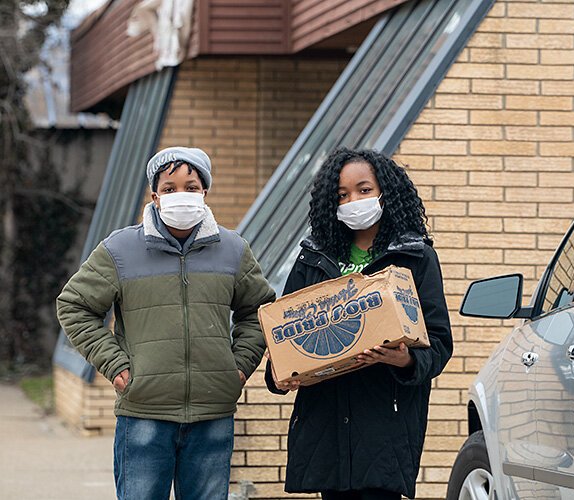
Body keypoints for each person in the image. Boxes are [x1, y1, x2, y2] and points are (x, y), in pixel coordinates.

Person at [57, 146, 275, 500]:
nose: (181, 196)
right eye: (170, 188)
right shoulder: (120, 250)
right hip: (144, 412)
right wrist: (115, 366)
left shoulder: (233, 249)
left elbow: (259, 309)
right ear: (155, 196)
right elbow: (74, 306)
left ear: (204, 191)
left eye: (191, 186)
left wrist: (238, 366)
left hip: (212, 413)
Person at [265, 148, 453, 500]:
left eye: (363, 190)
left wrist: (406, 361)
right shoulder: (314, 258)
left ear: (385, 192)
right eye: (342, 195)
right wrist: (280, 375)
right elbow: (284, 332)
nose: (353, 200)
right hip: (328, 427)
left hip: (385, 427)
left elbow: (440, 342)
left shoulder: (414, 257)